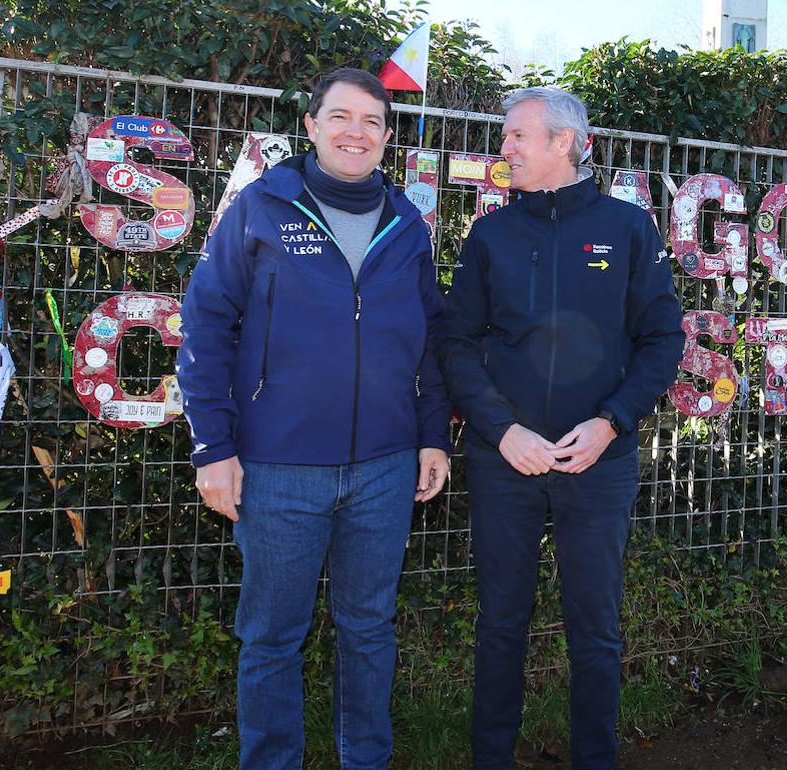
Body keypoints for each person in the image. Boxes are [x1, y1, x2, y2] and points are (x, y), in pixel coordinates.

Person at [177, 68, 451, 770]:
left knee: (368, 629)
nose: (355, 132)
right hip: (276, 468)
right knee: (271, 637)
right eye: (340, 117)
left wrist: (429, 437)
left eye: (371, 121)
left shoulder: (408, 226)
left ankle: (367, 759)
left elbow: (430, 342)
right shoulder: (260, 209)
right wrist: (214, 447)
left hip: (386, 471)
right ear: (311, 126)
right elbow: (206, 326)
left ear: (388, 137)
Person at [437, 86, 684, 770]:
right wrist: (499, 429)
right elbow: (455, 341)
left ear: (563, 142)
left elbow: (663, 340)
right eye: (506, 136)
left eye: (517, 136)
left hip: (598, 465)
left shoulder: (631, 229)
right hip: (503, 462)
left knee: (596, 631)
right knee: (500, 626)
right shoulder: (490, 234)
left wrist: (611, 423)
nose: (504, 148)